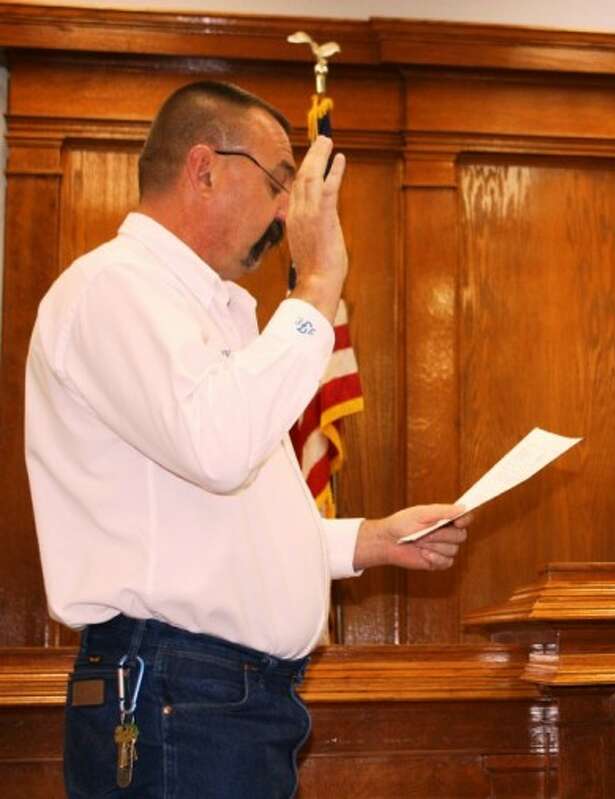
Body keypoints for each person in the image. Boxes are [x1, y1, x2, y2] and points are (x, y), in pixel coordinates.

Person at [24, 81, 470, 798]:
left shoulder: (210, 310)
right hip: (175, 687)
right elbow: (220, 446)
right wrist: (319, 279)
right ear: (203, 168)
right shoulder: (113, 288)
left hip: (217, 695)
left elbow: (223, 516)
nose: (287, 212)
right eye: (279, 184)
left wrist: (369, 540)